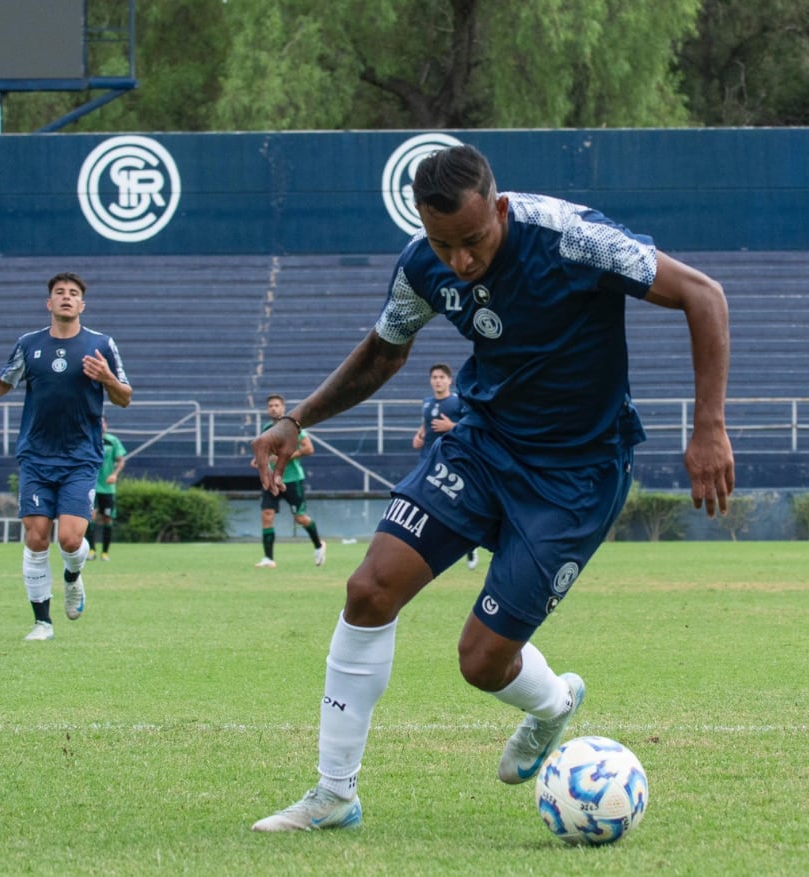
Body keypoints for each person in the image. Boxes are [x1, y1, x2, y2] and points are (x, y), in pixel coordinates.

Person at [250, 144, 732, 832]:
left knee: (480, 661)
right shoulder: (424, 265)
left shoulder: (572, 239)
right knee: (369, 588)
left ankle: (553, 702)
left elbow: (703, 294)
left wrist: (708, 426)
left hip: (576, 474)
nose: (462, 261)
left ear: (498, 209)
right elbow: (385, 350)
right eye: (445, 244)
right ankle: (333, 793)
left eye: (473, 240)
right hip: (483, 446)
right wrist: (298, 418)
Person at [0, 272, 131, 641]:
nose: (66, 298)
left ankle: (72, 577)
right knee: (36, 538)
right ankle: (42, 622)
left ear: (82, 304)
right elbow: (4, 381)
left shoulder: (101, 345)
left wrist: (108, 379)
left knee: (69, 539)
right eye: (59, 293)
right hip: (36, 455)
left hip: (81, 457)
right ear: (48, 303)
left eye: (73, 294)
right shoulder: (29, 344)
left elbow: (124, 397)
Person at [412, 362, 479, 571]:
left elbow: (473, 424)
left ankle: (468, 545)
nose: (438, 381)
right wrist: (419, 434)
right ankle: (419, 545)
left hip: (451, 460)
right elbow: (427, 421)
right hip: (427, 459)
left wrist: (451, 427)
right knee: (420, 500)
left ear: (449, 380)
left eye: (442, 377)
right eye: (434, 377)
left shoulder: (457, 402)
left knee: (455, 504)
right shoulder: (427, 402)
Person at [254, 393, 326, 569]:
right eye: (270, 405)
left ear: (283, 407)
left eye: (277, 405)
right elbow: (266, 451)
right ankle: (268, 558)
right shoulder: (266, 428)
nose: (273, 408)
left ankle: (319, 545)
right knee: (267, 515)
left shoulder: (294, 427)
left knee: (300, 518)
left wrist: (283, 457)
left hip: (292, 480)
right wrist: (259, 459)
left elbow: (308, 448)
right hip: (272, 480)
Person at [90, 416, 127, 562]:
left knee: (107, 518)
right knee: (89, 516)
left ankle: (105, 552)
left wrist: (115, 474)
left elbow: (121, 460)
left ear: (106, 425)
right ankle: (91, 550)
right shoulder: (89, 439)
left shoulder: (113, 441)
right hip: (91, 486)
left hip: (107, 488)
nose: (100, 425)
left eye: (103, 423)